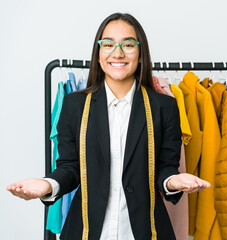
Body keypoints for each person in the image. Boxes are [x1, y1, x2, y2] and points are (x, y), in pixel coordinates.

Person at [6, 12, 210, 240]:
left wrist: (174, 180)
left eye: (128, 44)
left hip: (145, 231)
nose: (118, 53)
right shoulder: (75, 105)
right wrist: (47, 184)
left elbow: (165, 168)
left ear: (141, 54)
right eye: (109, 44)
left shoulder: (165, 106)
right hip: (86, 232)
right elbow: (70, 167)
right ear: (99, 53)